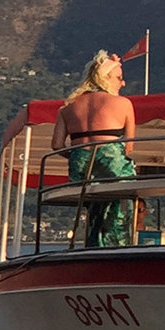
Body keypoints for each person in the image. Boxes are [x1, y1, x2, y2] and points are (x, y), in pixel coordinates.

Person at [58, 49, 137, 247]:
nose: (123, 83)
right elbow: (129, 147)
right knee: (119, 204)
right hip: (112, 164)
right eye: (119, 78)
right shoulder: (123, 103)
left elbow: (57, 145)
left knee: (94, 205)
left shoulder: (67, 107)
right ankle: (116, 247)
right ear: (106, 78)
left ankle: (92, 244)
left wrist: (81, 153)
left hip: (81, 168)